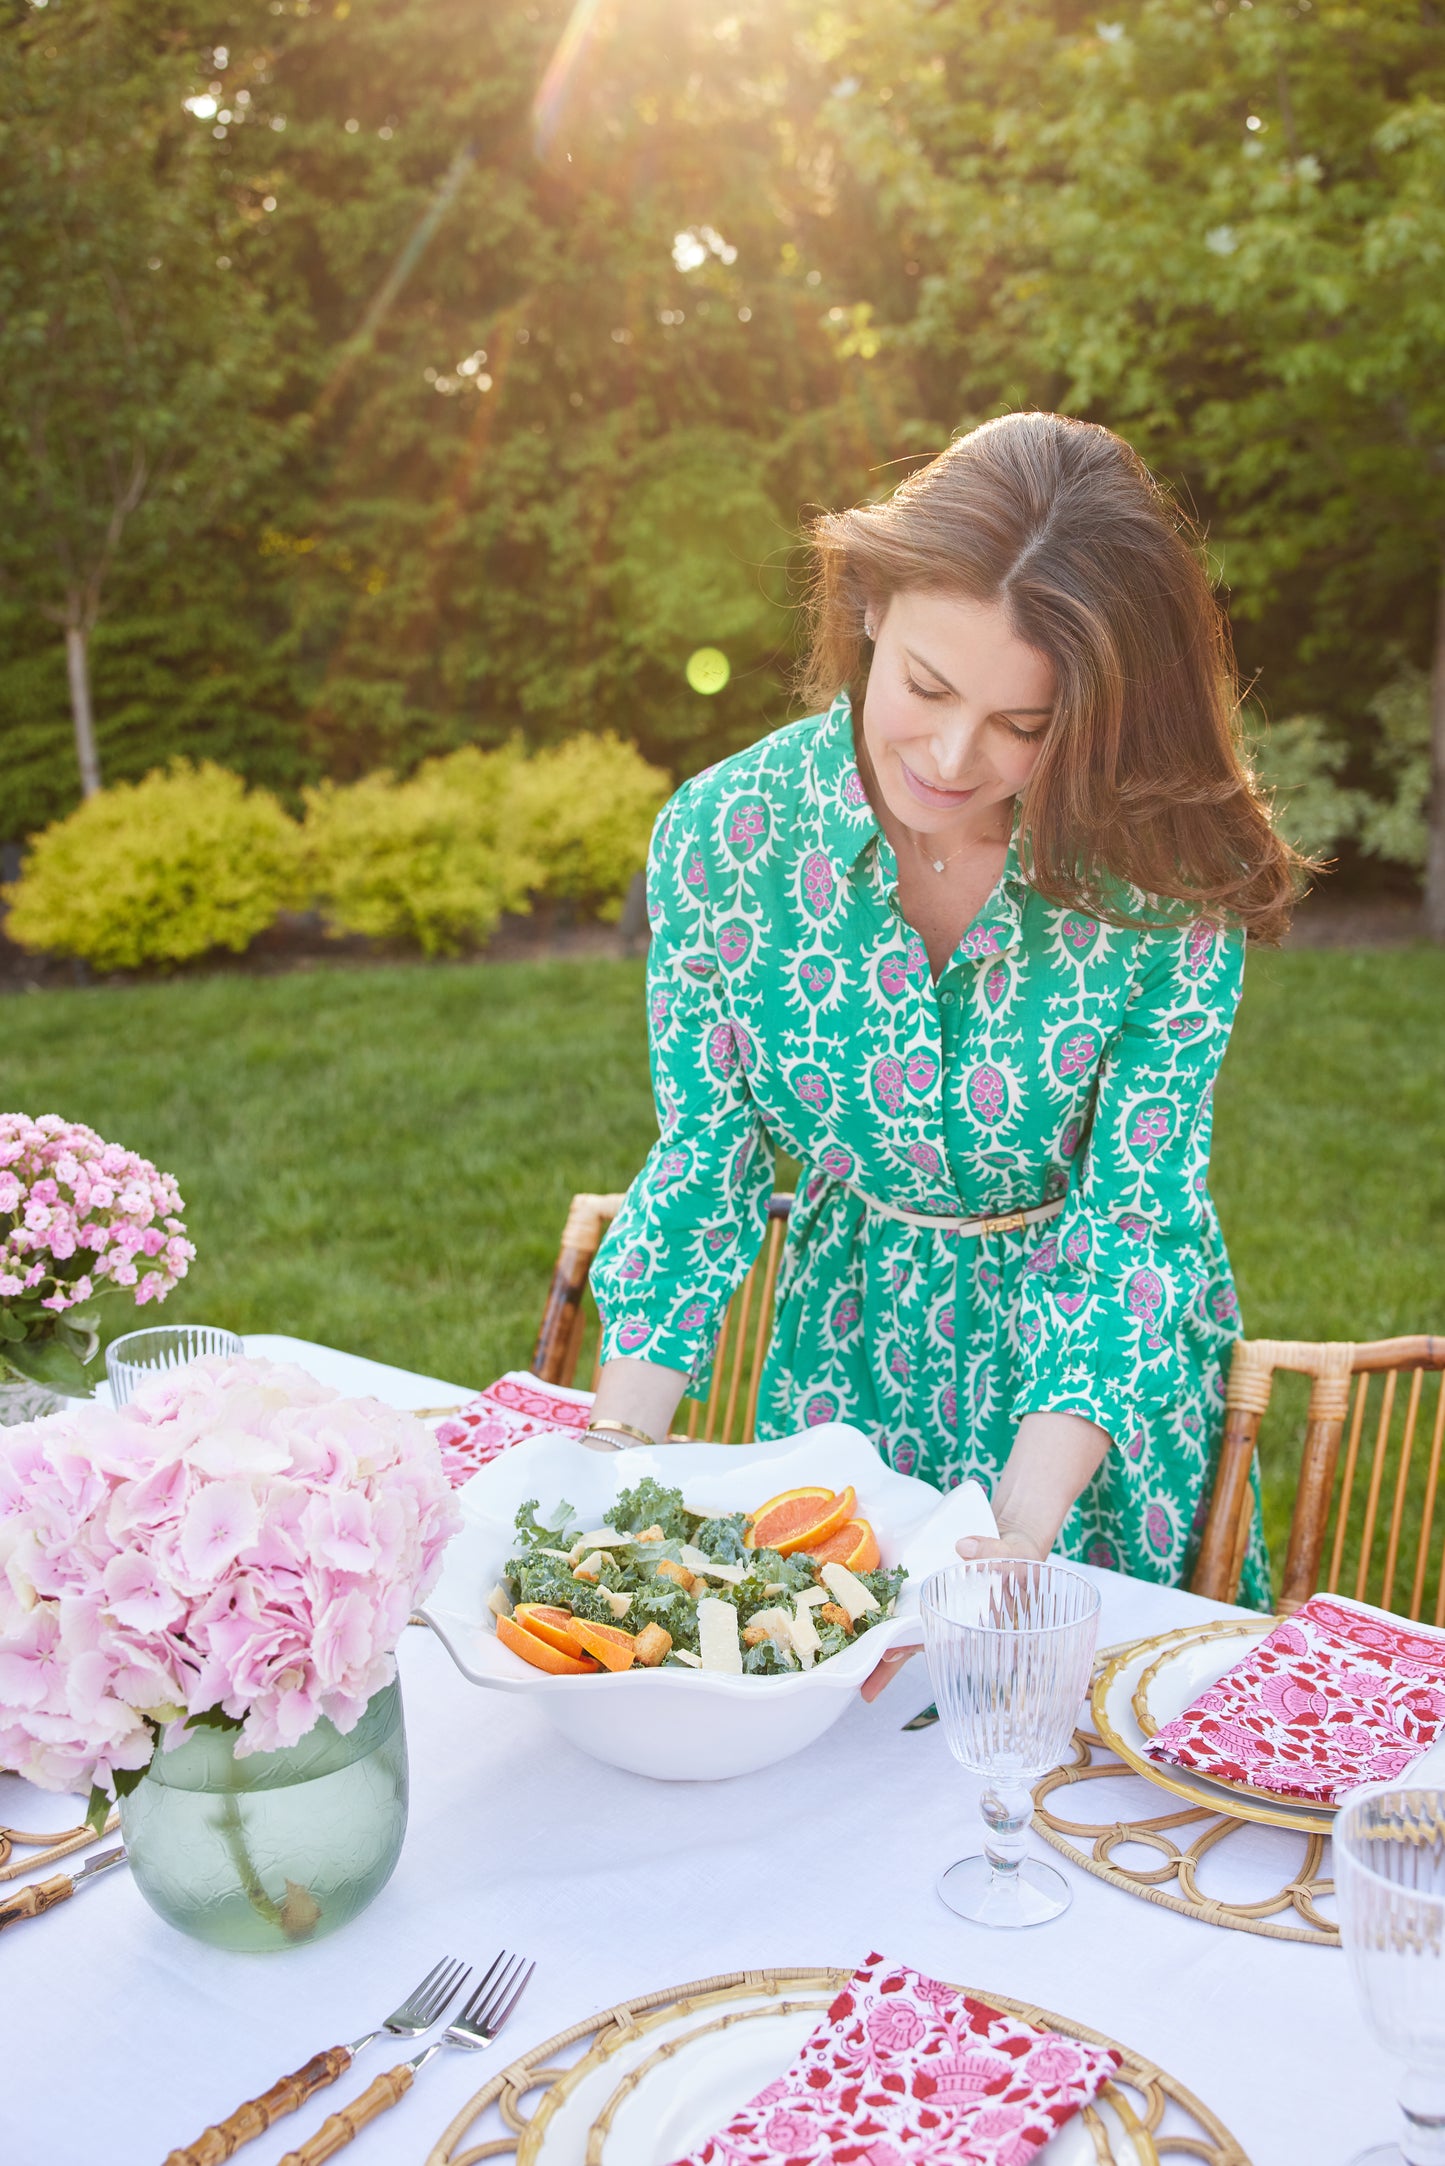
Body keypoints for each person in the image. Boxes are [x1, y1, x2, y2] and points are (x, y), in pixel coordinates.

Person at [580, 412, 1300, 1665]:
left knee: (1058, 1754)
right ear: (866, 604)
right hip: (842, 1372)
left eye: (1026, 725)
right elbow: (707, 1163)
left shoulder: (1162, 882)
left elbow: (1132, 1218)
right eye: (924, 686)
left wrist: (1017, 1532)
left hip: (1083, 1402)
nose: (954, 757)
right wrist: (607, 1463)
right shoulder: (721, 839)